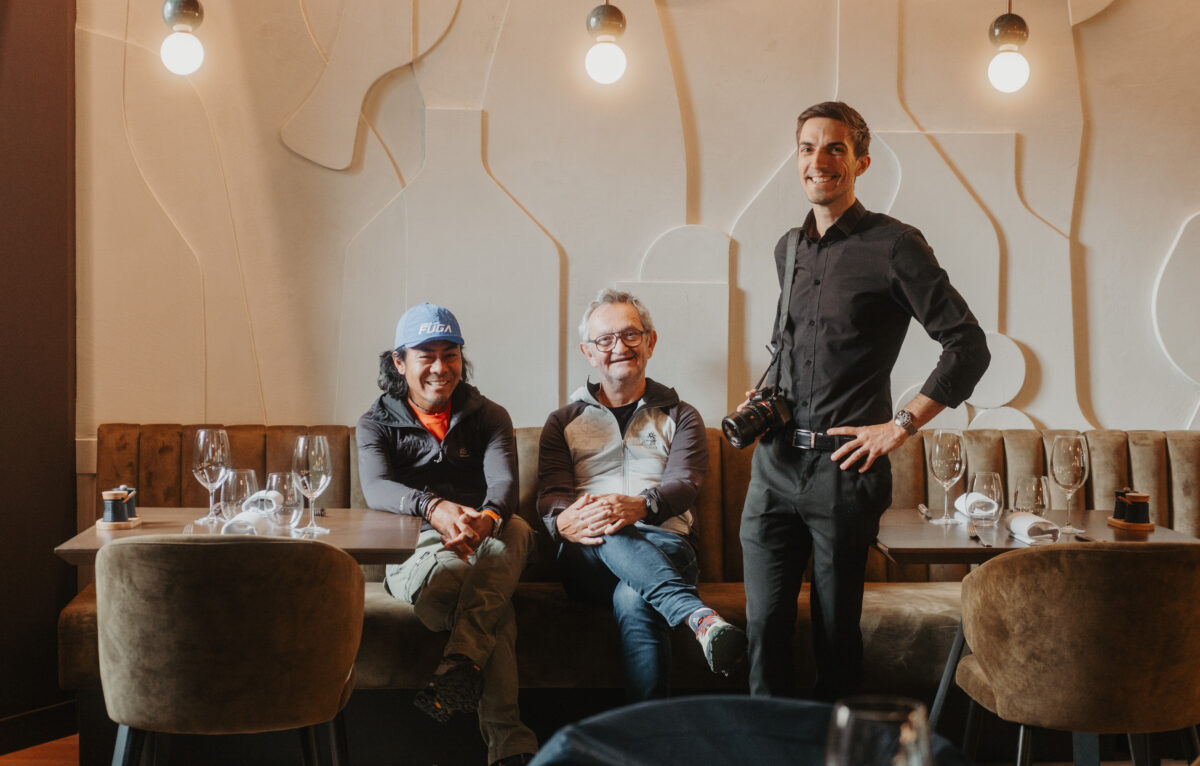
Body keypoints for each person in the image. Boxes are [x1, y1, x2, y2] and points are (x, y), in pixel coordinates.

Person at [739, 102, 991, 700]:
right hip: (774, 465)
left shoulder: (895, 245)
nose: (818, 160)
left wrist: (901, 425)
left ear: (861, 162)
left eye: (834, 149)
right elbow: (802, 343)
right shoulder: (788, 248)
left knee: (834, 636)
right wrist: (770, 388)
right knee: (764, 633)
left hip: (844, 472)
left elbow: (968, 345)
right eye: (807, 148)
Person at [537, 289, 747, 702]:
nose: (620, 347)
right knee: (604, 522)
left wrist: (639, 507)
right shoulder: (562, 421)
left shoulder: (681, 415)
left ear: (650, 342)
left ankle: (646, 738)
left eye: (631, 335)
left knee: (635, 597)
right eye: (606, 340)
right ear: (589, 352)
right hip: (588, 555)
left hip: (670, 546)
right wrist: (561, 521)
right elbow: (552, 495)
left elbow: (683, 485)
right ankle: (699, 618)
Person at [357, 302, 537, 766]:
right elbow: (376, 487)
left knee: (515, 528)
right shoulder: (375, 422)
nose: (441, 367)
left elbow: (503, 488)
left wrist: (486, 519)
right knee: (489, 604)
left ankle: (458, 665)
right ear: (400, 362)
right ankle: (509, 745)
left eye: (450, 353)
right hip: (412, 557)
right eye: (426, 355)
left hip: (485, 545)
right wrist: (431, 507)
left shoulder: (489, 415)